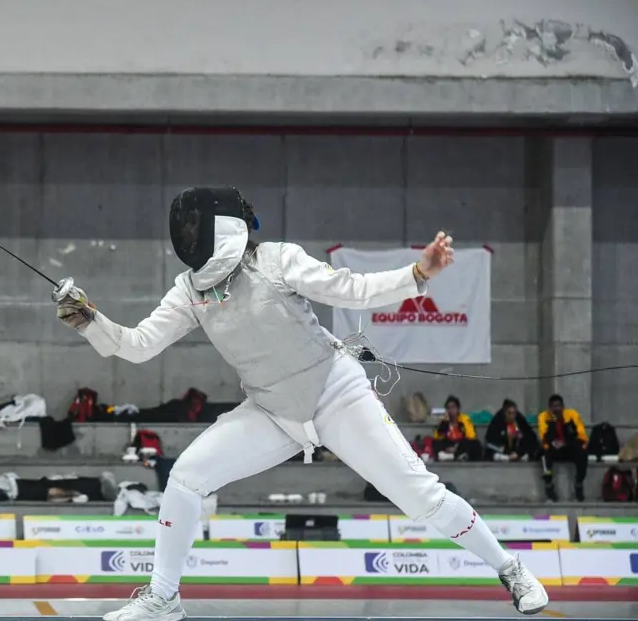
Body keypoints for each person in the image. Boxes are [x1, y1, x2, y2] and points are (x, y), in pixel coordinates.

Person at [55, 187, 547, 619]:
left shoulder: (277, 260)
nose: (187, 235)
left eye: (193, 226)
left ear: (220, 227)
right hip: (272, 412)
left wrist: (417, 273)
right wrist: (92, 320)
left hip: (336, 392)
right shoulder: (189, 290)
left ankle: (511, 569)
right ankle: (163, 598)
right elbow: (139, 344)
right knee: (185, 478)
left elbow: (351, 289)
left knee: (422, 497)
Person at [537, 394, 588, 502]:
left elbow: (582, 436)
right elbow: (543, 437)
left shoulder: (572, 415)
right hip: (553, 449)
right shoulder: (543, 417)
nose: (556, 409)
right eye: (553, 407)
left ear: (563, 406)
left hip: (569, 447)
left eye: (558, 406)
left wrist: (565, 443)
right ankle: (549, 485)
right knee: (544, 452)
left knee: (582, 452)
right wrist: (553, 423)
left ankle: (579, 483)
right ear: (549, 408)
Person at [433, 395, 483, 461]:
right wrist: (445, 422)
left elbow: (471, 436)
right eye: (448, 408)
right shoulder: (444, 421)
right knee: (436, 442)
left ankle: (452, 456)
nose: (451, 410)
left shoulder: (464, 419)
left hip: (461, 445)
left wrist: (456, 448)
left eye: (453, 407)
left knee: (475, 443)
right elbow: (437, 436)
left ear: (458, 409)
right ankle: (456, 456)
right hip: (448, 445)